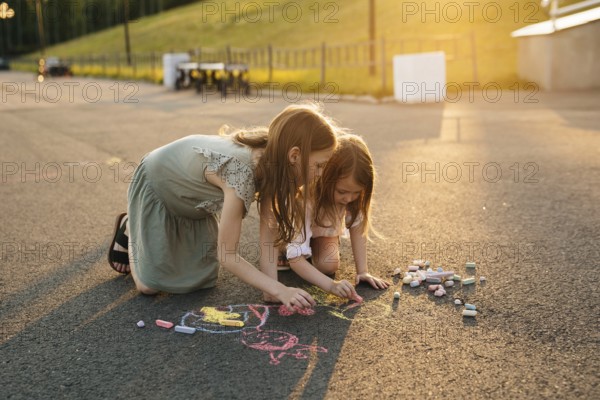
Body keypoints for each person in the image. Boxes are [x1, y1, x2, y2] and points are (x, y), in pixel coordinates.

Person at [107, 103, 339, 310]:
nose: (319, 175)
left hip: (194, 206)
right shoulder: (241, 171)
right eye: (319, 166)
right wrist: (282, 290)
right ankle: (131, 230)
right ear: (294, 155)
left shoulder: (274, 163)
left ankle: (146, 233)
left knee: (201, 279)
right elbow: (227, 254)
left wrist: (272, 288)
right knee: (150, 286)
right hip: (158, 186)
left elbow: (268, 233)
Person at [285, 134, 390, 299]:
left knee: (328, 265)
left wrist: (363, 271)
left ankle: (314, 242)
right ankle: (282, 245)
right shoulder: (305, 199)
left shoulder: (352, 198)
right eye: (342, 192)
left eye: (356, 193)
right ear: (325, 179)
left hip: (320, 229)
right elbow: (295, 259)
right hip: (292, 224)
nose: (349, 198)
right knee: (288, 251)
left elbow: (358, 227)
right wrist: (331, 286)